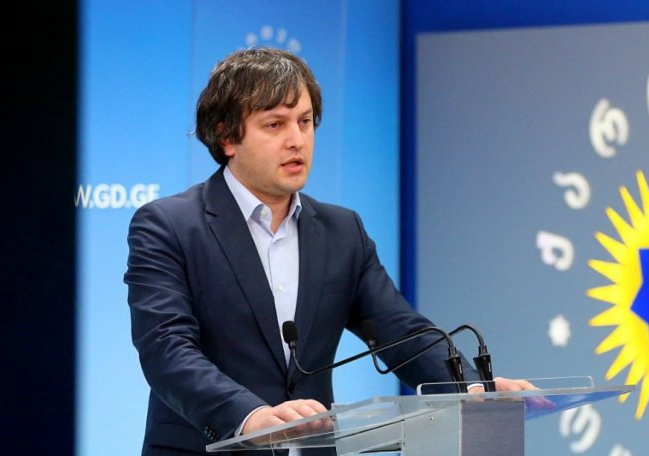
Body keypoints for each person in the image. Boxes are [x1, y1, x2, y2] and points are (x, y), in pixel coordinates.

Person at [125, 46, 534, 456]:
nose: (296, 140)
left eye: (305, 122)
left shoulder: (342, 231)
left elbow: (401, 333)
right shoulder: (170, 226)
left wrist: (471, 390)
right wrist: (249, 417)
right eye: (275, 124)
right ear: (227, 136)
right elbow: (166, 349)